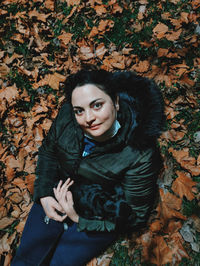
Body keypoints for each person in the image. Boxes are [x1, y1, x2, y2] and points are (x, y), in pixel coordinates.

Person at [12, 69, 165, 266]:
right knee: (26, 259)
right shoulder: (68, 117)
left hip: (98, 213)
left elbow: (134, 216)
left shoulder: (140, 153)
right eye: (80, 110)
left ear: (116, 102)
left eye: (97, 105)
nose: (88, 118)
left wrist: (79, 219)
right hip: (58, 191)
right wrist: (44, 193)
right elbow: (49, 151)